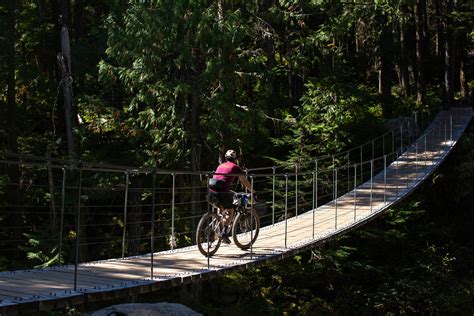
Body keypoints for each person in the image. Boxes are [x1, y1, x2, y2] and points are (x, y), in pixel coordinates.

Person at [208, 149, 254, 244]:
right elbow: (243, 181)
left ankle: (217, 225)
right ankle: (224, 232)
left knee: (221, 207)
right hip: (222, 191)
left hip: (211, 190)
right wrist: (252, 191)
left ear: (225, 157)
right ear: (235, 159)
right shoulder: (235, 167)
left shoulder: (220, 165)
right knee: (230, 210)